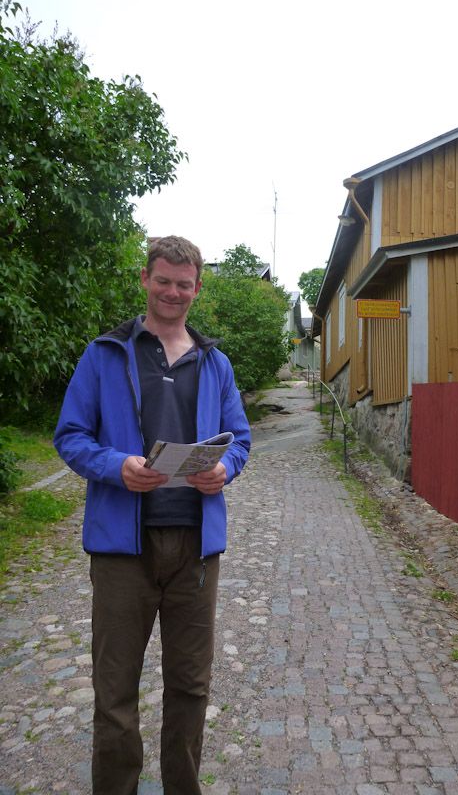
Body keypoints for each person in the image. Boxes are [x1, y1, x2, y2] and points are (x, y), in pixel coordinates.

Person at [54, 236, 251, 795]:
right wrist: (117, 466)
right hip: (123, 548)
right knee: (114, 691)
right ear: (145, 280)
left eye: (184, 284)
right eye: (163, 280)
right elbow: (70, 436)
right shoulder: (104, 354)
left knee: (191, 687)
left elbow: (239, 439)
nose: (173, 292)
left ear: (197, 288)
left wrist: (225, 470)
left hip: (196, 546)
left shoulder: (214, 362)